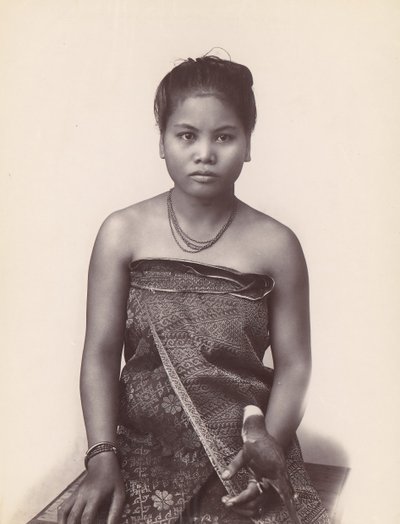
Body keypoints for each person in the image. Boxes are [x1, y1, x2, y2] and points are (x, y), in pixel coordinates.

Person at [58, 54, 330, 524]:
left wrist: (270, 450)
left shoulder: (278, 245)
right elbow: (100, 353)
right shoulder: (122, 232)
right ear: (162, 142)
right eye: (187, 135)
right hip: (140, 448)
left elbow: (296, 364)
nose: (205, 153)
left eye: (224, 136)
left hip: (245, 451)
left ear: (248, 144)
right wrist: (101, 457)